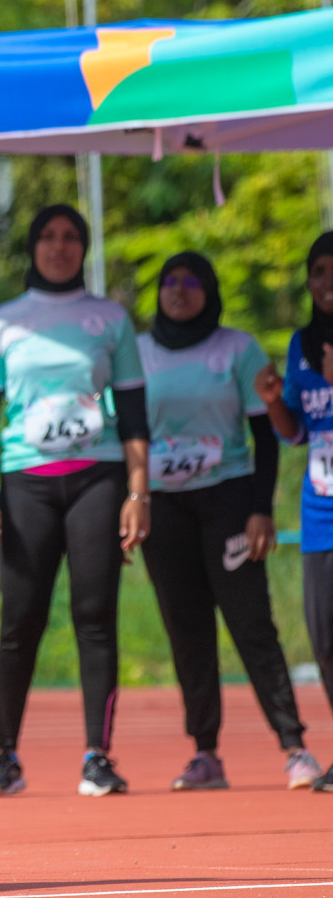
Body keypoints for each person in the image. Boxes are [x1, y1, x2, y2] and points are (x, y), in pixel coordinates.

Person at [0, 204, 150, 799]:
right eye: (48, 236)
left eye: (72, 237)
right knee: (20, 623)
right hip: (26, 484)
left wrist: (139, 493)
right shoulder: (2, 323)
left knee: (95, 618)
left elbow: (137, 418)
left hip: (98, 480)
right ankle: (4, 758)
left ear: (85, 247)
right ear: (33, 246)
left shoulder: (110, 319)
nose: (60, 246)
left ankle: (98, 756)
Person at [137, 250, 321, 791]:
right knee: (186, 630)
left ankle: (294, 747)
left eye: (191, 281)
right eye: (169, 281)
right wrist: (132, 500)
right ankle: (206, 753)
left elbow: (265, 433)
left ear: (209, 290)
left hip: (228, 501)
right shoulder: (140, 353)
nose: (179, 289)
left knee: (250, 623)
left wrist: (261, 508)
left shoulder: (237, 349)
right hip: (164, 505)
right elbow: (127, 435)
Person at [255, 231, 333, 792]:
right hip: (320, 513)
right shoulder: (301, 343)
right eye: (320, 271)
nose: (328, 282)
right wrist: (273, 402)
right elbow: (298, 434)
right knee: (325, 639)